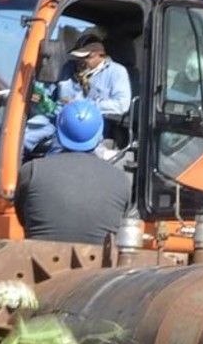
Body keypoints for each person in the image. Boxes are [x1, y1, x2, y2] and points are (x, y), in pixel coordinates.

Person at [14, 100, 131, 244]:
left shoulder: (31, 171)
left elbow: (22, 217)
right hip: (101, 264)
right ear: (99, 135)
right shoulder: (121, 179)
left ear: (58, 129)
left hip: (38, 260)